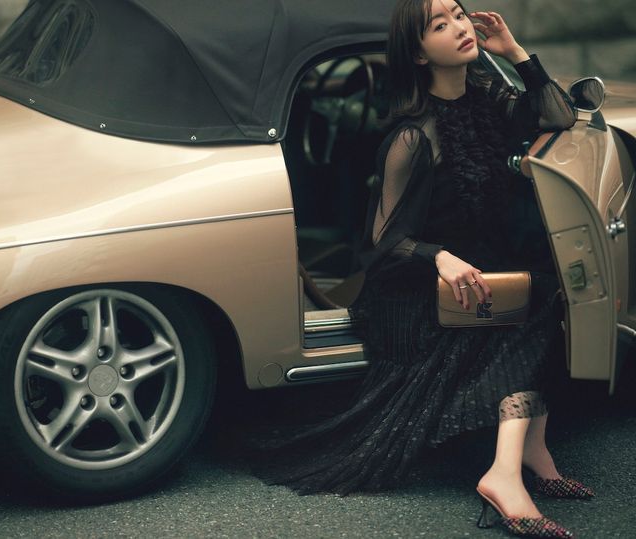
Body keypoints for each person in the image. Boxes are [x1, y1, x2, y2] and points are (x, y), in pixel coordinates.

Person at [253, 1, 593, 537]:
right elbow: (385, 241)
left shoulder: (490, 98)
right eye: (439, 25)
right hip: (412, 288)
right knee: (520, 321)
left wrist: (514, 52)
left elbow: (558, 116)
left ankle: (530, 456)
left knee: (546, 293)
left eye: (458, 14)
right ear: (418, 53)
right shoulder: (412, 137)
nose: (458, 28)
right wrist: (439, 256)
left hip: (478, 273)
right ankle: (505, 474)